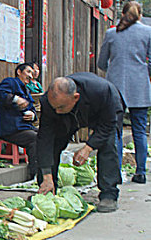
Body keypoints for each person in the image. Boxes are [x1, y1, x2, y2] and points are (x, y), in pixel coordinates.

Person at [37, 72, 124, 212]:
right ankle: (48, 188)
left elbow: (107, 126)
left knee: (107, 143)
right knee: (53, 142)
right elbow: (44, 138)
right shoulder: (50, 103)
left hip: (103, 110)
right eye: (55, 108)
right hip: (70, 114)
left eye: (60, 107)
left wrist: (88, 148)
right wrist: (46, 174)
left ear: (75, 97)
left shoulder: (101, 91)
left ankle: (109, 194)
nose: (57, 112)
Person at [98, 0, 151, 184]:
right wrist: (143, 72)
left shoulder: (112, 33)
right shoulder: (148, 31)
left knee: (116, 131)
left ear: (122, 14)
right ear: (140, 15)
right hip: (140, 87)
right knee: (139, 131)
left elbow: (101, 62)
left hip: (115, 87)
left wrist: (113, 69)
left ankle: (116, 172)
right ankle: (140, 172)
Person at [0, 63, 38, 178]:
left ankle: (46, 171)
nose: (30, 76)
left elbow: (33, 109)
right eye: (28, 72)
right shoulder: (10, 82)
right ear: (19, 72)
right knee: (34, 138)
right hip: (12, 129)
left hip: (25, 128)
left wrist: (32, 115)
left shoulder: (27, 91)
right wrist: (15, 99)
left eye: (32, 74)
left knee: (45, 134)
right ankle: (35, 174)